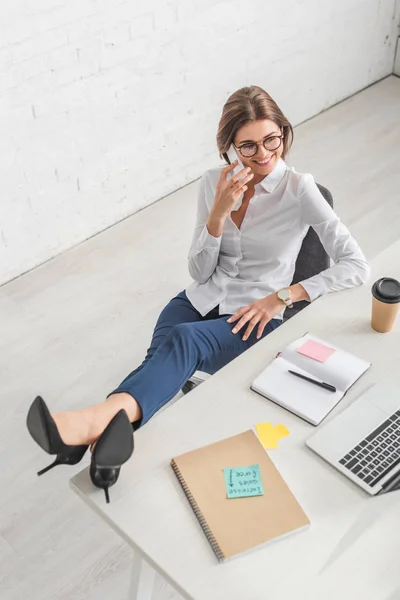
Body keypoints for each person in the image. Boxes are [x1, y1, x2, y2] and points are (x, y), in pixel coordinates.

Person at [26, 85, 370, 502]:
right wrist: (218, 214)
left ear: (283, 131)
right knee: (161, 360)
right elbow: (198, 270)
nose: (263, 154)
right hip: (201, 297)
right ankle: (104, 446)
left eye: (271, 139)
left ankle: (81, 428)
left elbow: (356, 265)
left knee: (182, 344)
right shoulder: (213, 184)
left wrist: (282, 297)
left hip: (254, 314)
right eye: (248, 146)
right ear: (229, 148)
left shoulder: (300, 190)